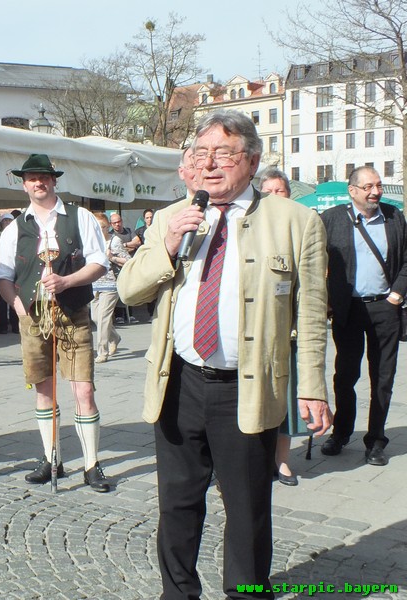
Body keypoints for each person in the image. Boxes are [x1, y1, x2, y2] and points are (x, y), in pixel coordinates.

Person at [117, 110, 332, 598]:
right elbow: (130, 290)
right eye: (200, 154)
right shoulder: (174, 217)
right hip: (180, 383)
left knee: (248, 506)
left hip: (248, 388)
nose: (210, 165)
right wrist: (168, 245)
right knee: (176, 503)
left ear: (252, 160)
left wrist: (313, 388)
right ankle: (178, 592)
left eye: (224, 153)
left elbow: (313, 316)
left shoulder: (297, 222)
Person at [0, 153, 111, 493]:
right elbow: (4, 274)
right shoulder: (16, 227)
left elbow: (100, 263)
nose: (38, 182)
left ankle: (91, 464)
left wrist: (68, 281)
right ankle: (51, 458)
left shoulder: (80, 217)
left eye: (43, 176)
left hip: (73, 313)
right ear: (24, 183)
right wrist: (16, 305)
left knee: (83, 389)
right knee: (44, 390)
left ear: (53, 180)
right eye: (31, 177)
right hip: (33, 317)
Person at [320, 166, 407, 467]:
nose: (375, 192)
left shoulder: (395, 218)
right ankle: (341, 433)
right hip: (348, 310)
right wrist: (326, 299)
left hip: (385, 308)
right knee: (345, 376)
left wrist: (396, 294)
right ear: (353, 190)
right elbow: (314, 261)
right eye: (368, 186)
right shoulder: (330, 220)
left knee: (382, 378)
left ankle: (376, 441)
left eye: (379, 186)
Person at [258, 168, 301, 486]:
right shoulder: (250, 228)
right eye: (268, 191)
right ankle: (254, 458)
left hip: (287, 330)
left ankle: (282, 460)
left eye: (280, 190)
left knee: (284, 399)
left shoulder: (299, 227)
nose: (275, 196)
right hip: (255, 331)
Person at [91, 213, 121, 364]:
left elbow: (128, 260)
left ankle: (102, 352)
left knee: (103, 318)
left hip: (111, 284)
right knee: (96, 318)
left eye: (102, 226)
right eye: (97, 226)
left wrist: (112, 258)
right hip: (95, 284)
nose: (99, 229)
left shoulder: (115, 241)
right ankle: (114, 337)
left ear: (108, 226)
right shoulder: (92, 242)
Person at [0, 213, 20, 334]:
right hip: (0, 270)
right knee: (1, 301)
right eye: (5, 221)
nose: (7, 223)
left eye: (9, 220)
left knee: (14, 299)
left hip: (15, 271)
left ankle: (15, 325)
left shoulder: (17, 235)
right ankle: (2, 326)